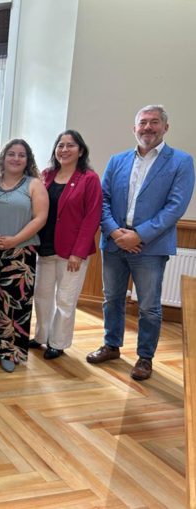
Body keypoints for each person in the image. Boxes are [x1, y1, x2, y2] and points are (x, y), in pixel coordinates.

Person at [87, 105, 195, 380]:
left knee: (149, 306)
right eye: (143, 122)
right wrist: (115, 233)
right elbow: (103, 200)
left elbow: (175, 207)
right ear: (134, 128)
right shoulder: (117, 160)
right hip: (114, 243)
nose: (148, 127)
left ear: (165, 127)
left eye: (154, 122)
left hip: (151, 247)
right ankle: (111, 345)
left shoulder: (181, 161)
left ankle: (145, 358)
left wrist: (139, 235)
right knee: (112, 298)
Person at [0, 140, 48, 372]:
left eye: (21, 155)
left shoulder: (34, 184)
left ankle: (10, 352)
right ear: (3, 157)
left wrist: (14, 240)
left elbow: (40, 218)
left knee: (14, 303)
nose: (16, 158)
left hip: (20, 252)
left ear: (28, 160)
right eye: (11, 154)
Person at [31, 130, 102, 360]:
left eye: (70, 145)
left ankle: (58, 343)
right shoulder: (47, 175)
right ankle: (41, 336)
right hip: (45, 247)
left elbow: (92, 218)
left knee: (65, 299)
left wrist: (78, 253)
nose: (64, 150)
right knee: (42, 296)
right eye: (60, 145)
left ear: (80, 151)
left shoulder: (89, 179)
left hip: (72, 252)